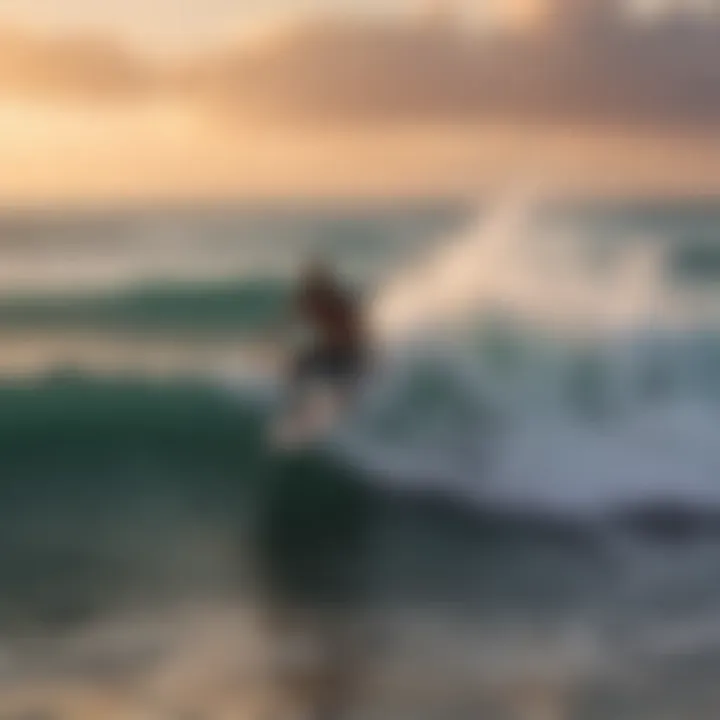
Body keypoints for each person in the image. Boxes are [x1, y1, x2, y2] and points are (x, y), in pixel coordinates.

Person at [286, 260, 369, 409]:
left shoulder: (337, 301)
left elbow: (357, 328)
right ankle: (304, 404)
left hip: (350, 354)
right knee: (299, 366)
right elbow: (288, 321)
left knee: (339, 379)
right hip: (332, 350)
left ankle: (342, 406)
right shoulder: (309, 301)